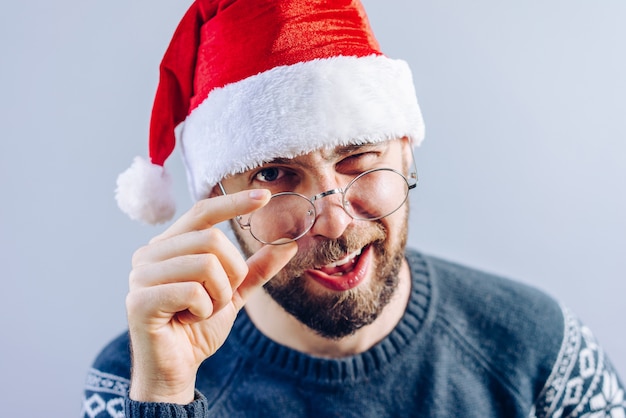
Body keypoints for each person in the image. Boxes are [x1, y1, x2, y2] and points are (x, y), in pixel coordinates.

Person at [82, 1, 624, 417]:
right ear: (215, 202)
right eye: (274, 175)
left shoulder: (542, 351)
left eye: (360, 159)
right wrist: (165, 398)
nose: (336, 220)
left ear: (406, 148)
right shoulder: (135, 381)